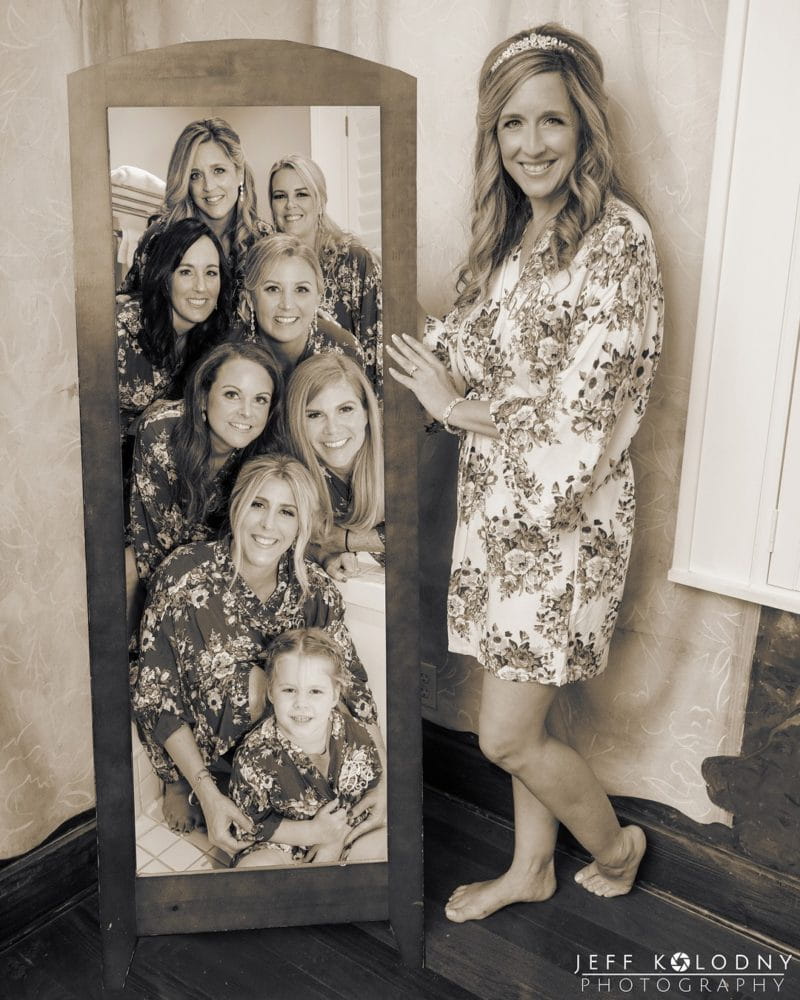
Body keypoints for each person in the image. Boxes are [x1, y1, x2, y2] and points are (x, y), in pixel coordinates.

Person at [388, 24, 663, 919]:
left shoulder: (618, 244)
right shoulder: (510, 235)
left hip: (563, 524)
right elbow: (457, 351)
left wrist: (457, 410)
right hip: (498, 516)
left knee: (503, 736)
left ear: (584, 127)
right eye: (512, 124)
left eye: (551, 121)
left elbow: (587, 421)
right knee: (525, 726)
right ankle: (530, 869)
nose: (532, 144)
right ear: (492, 136)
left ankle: (619, 846)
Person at [131, 453, 383, 854]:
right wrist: (207, 794)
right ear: (237, 506)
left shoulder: (314, 588)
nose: (268, 525)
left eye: (287, 512)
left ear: (302, 523)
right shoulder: (184, 576)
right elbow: (156, 697)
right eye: (258, 505)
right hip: (220, 754)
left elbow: (352, 681)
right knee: (257, 681)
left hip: (292, 747)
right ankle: (184, 783)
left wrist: (384, 782)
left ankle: (302, 811)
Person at [127, 341, 281, 589]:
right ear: (202, 397)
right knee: (127, 571)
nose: (246, 412)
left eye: (260, 400)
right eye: (232, 395)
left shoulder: (268, 452)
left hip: (218, 565)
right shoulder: (161, 433)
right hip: (150, 551)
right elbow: (154, 548)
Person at [230, 628, 385, 868]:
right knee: (253, 867)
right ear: (271, 692)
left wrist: (335, 840)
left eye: (315, 691)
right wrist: (312, 833)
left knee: (387, 844)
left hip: (342, 833)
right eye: (289, 690)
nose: (301, 703)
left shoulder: (352, 733)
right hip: (284, 843)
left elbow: (366, 794)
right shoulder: (254, 756)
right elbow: (254, 823)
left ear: (334, 696)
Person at [119, 117, 272, 299]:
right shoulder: (160, 237)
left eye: (218, 171)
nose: (208, 186)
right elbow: (130, 298)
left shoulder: (263, 240)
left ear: (239, 173)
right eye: (195, 175)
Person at [268, 153, 383, 395]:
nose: (290, 205)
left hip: (344, 399)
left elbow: (375, 348)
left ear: (320, 201)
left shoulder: (356, 261)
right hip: (284, 399)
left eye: (302, 194)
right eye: (280, 196)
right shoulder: (266, 265)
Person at [117, 217, 234, 444]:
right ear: (165, 278)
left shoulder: (213, 337)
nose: (201, 287)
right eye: (186, 272)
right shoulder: (123, 326)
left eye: (210, 273)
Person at [286, 353, 384, 580]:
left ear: (367, 412)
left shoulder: (400, 458)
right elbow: (279, 536)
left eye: (345, 409)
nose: (332, 429)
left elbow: (428, 532)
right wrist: (323, 554)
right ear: (297, 421)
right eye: (315, 414)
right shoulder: (293, 471)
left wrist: (342, 539)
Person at [238, 234, 364, 383]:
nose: (287, 305)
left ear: (318, 298)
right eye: (273, 289)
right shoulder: (229, 358)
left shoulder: (344, 349)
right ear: (250, 299)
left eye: (301, 289)